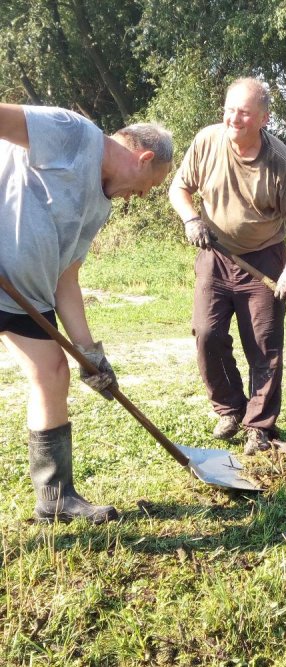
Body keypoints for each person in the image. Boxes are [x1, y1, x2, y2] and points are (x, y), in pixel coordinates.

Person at [0, 103, 173, 523]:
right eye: (149, 185)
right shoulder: (72, 133)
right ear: (144, 157)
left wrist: (88, 352)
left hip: (23, 295)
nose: (142, 196)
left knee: (53, 372)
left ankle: (55, 498)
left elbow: (66, 278)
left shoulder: (101, 206)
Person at [169, 77, 286, 455]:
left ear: (263, 118)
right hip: (215, 256)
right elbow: (179, 188)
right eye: (229, 110)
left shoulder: (279, 161)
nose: (233, 118)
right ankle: (230, 409)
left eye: (243, 113)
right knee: (206, 334)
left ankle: (260, 426)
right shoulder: (206, 141)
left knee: (264, 345)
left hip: (264, 258)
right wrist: (190, 219)